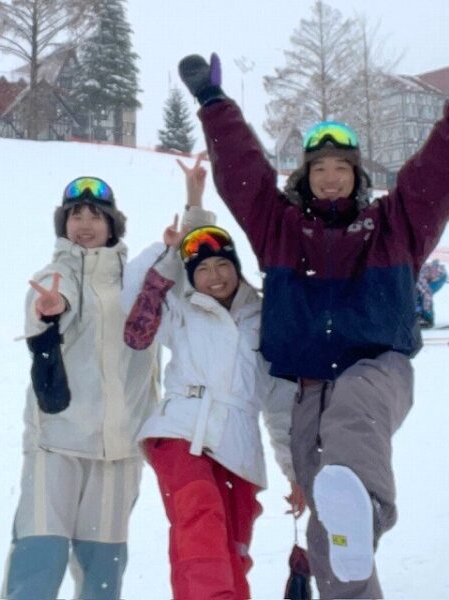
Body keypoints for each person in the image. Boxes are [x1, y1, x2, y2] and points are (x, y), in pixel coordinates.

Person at [178, 47, 449, 598]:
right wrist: (213, 102)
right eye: (319, 168)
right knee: (330, 540)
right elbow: (243, 174)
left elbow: (437, 173)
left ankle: (366, 513)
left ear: (357, 175)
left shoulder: (395, 225)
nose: (330, 178)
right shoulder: (278, 227)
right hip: (306, 387)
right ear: (305, 174)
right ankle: (348, 542)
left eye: (341, 168)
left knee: (352, 417)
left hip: (377, 368)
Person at [121, 156, 302, 599]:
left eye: (222, 265)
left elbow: (279, 403)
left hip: (239, 444)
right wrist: (185, 223)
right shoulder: (179, 310)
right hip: (182, 429)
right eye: (201, 269)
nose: (214, 276)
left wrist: (294, 472)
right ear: (190, 278)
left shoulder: (265, 317)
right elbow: (135, 318)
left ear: (236, 267)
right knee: (199, 516)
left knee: (229, 548)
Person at [2, 177, 158, 600]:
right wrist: (49, 309)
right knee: (38, 564)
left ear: (112, 225)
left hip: (119, 448)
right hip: (57, 442)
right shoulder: (55, 274)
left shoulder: (138, 280)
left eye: (95, 216)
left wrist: (197, 209)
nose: (85, 224)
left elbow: (189, 272)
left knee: (102, 578)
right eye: (76, 216)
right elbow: (51, 303)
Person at [416, 259, 449, 328]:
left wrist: (427, 313)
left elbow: (427, 294)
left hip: (440, 276)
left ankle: (428, 319)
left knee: (425, 296)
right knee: (418, 296)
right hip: (429, 275)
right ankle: (420, 316)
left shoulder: (419, 278)